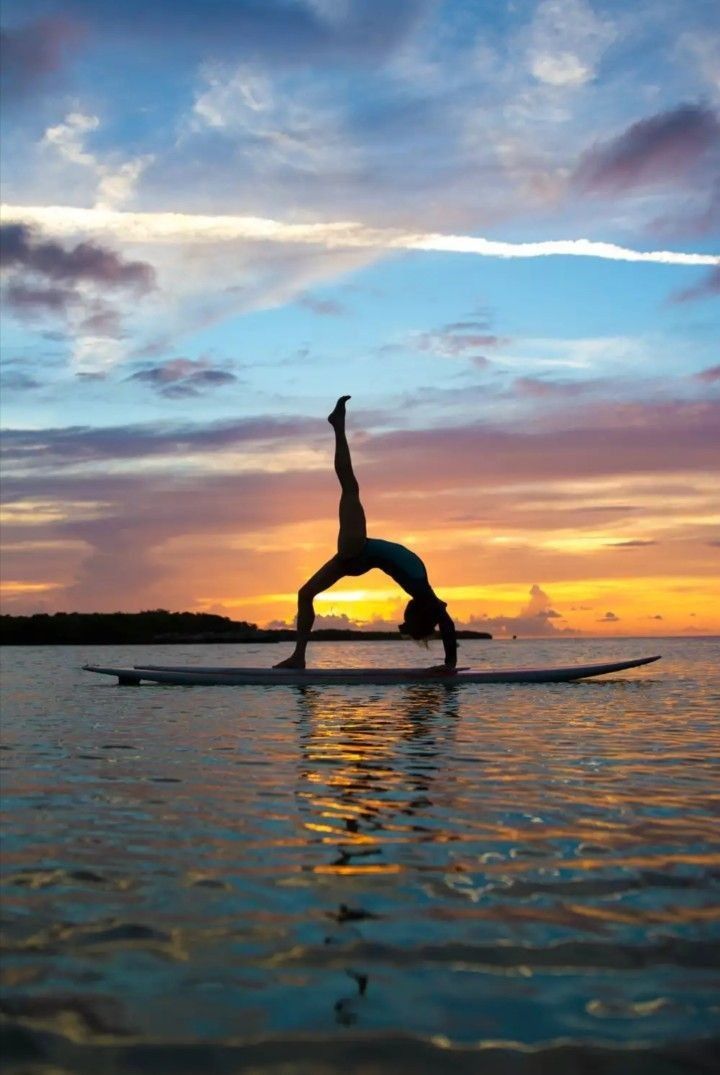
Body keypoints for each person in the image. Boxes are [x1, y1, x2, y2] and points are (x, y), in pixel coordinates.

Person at [274, 396, 458, 672]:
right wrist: (449, 664)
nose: (404, 612)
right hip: (357, 551)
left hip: (356, 553)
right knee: (305, 593)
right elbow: (447, 622)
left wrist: (448, 664)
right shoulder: (421, 588)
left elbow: (445, 621)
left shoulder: (422, 590)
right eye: (409, 618)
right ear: (418, 614)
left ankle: (299, 656)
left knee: (350, 488)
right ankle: (298, 658)